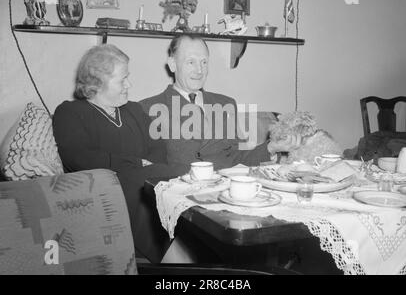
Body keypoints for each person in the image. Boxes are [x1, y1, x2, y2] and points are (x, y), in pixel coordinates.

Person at [53, 44, 188, 263]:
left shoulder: (133, 110)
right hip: (104, 195)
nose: (129, 85)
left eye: (128, 77)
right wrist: (137, 163)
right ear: (97, 84)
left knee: (183, 175)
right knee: (143, 183)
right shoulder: (71, 113)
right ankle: (173, 259)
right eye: (122, 80)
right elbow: (79, 158)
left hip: (151, 184)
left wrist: (151, 169)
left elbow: (158, 148)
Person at [140, 35, 300, 171]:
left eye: (204, 62)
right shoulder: (147, 110)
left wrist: (271, 147)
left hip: (226, 194)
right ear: (173, 64)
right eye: (191, 62)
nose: (199, 70)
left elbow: (240, 158)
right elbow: (149, 171)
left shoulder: (226, 104)